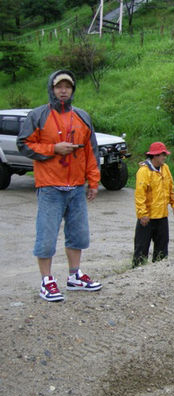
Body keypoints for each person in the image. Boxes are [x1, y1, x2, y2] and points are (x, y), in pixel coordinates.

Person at [17, 69, 103, 302]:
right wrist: (53, 149)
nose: (63, 90)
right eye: (58, 87)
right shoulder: (38, 115)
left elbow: (91, 152)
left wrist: (93, 181)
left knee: (79, 234)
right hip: (50, 186)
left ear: (72, 90)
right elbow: (23, 144)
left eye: (67, 87)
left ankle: (75, 276)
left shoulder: (82, 116)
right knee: (46, 236)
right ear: (51, 89)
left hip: (76, 187)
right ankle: (46, 281)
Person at [133, 142, 174, 267]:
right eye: (162, 155)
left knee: (162, 249)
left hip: (162, 216)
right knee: (141, 249)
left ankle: (160, 272)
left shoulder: (165, 168)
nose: (164, 157)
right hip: (147, 217)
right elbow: (140, 194)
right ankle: (137, 272)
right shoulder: (143, 172)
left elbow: (170, 186)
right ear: (155, 156)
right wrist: (142, 214)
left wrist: (173, 203)